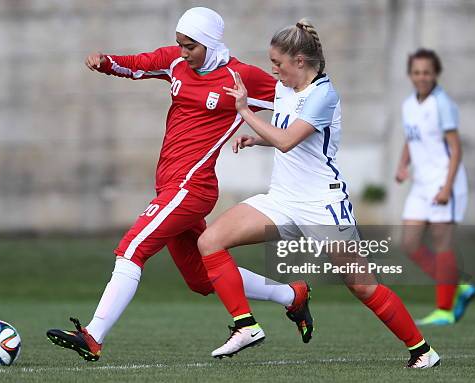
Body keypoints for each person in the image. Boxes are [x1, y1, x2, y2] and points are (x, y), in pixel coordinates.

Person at [46, 7, 313, 362]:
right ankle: (292, 296)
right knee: (202, 279)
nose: (183, 52)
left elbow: (297, 95)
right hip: (169, 187)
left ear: (210, 43)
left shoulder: (240, 76)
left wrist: (310, 116)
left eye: (190, 46)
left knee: (131, 249)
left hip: (192, 188)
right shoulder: (175, 62)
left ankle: (93, 336)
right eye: (180, 44)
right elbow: (139, 64)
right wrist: (106, 61)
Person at [197, 19, 440, 368]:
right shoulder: (286, 87)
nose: (273, 70)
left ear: (299, 61)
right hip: (281, 199)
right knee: (209, 242)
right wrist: (256, 138)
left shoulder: (323, 95)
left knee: (362, 286)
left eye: (277, 63)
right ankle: (245, 325)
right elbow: (283, 134)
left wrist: (245, 111)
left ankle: (422, 351)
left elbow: (287, 140)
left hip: (322, 205)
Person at [396, 48, 475, 326]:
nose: (422, 77)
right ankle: (459, 285)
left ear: (435, 74)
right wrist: (402, 164)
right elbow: (411, 137)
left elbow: (456, 150)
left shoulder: (442, 104)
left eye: (427, 72)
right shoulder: (408, 104)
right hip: (420, 185)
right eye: (417, 72)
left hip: (445, 183)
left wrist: (446, 188)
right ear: (410, 75)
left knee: (442, 243)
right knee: (409, 243)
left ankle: (444, 309)